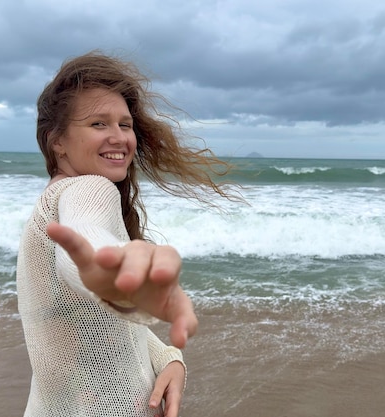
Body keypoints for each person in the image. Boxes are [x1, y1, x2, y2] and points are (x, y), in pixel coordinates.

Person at [16, 50, 237, 417]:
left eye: (125, 124)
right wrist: (113, 271)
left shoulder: (48, 203)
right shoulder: (88, 190)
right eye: (98, 124)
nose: (119, 137)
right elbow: (86, 238)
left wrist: (169, 358)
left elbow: (91, 324)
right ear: (58, 140)